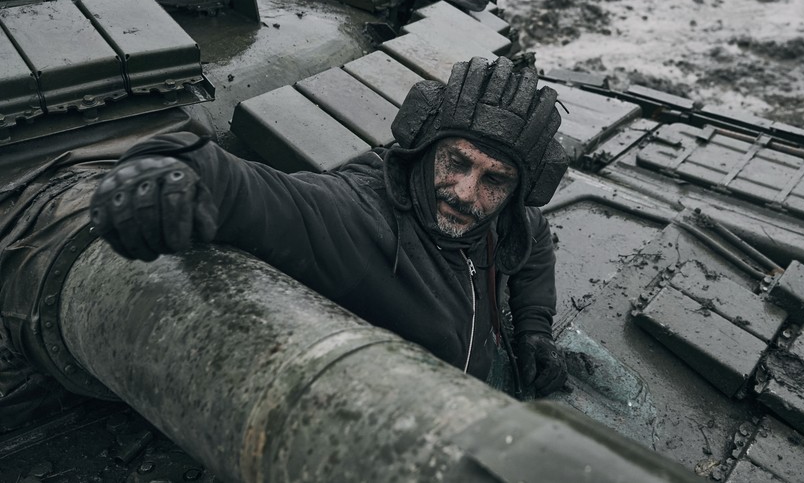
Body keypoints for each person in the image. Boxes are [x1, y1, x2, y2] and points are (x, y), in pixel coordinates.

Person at [89, 56, 570, 397]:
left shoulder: (500, 216)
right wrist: (172, 170)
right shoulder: (358, 215)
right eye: (457, 162)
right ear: (426, 149)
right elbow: (262, 194)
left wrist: (533, 329)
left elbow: (534, 240)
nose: (466, 193)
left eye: (494, 179)